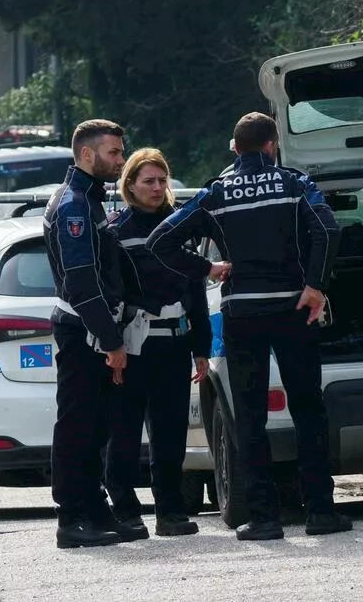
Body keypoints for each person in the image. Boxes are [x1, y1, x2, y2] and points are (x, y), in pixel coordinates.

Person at [146, 112, 352, 541]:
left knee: (250, 416)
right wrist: (315, 286)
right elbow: (328, 231)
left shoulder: (216, 194)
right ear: (273, 145)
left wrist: (208, 267)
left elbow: (159, 241)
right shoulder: (296, 184)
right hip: (293, 308)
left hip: (242, 314)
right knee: (308, 408)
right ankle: (320, 512)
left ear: (235, 150)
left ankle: (263, 518)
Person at [42, 118, 147, 549]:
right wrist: (112, 342)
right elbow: (82, 284)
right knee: (78, 428)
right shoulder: (74, 207)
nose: (121, 161)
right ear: (87, 154)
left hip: (96, 332)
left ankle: (95, 507)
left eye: (121, 152)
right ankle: (72, 517)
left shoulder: (90, 200)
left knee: (96, 427)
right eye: (114, 153)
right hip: (83, 334)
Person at [104, 148, 211, 538]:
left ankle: (170, 512)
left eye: (162, 180)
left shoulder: (179, 226)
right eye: (148, 180)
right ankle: (126, 510)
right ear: (129, 185)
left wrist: (202, 346)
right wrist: (111, 344)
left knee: (170, 432)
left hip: (175, 342)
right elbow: (110, 292)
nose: (157, 187)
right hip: (133, 344)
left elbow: (196, 290)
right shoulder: (116, 231)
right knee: (125, 432)